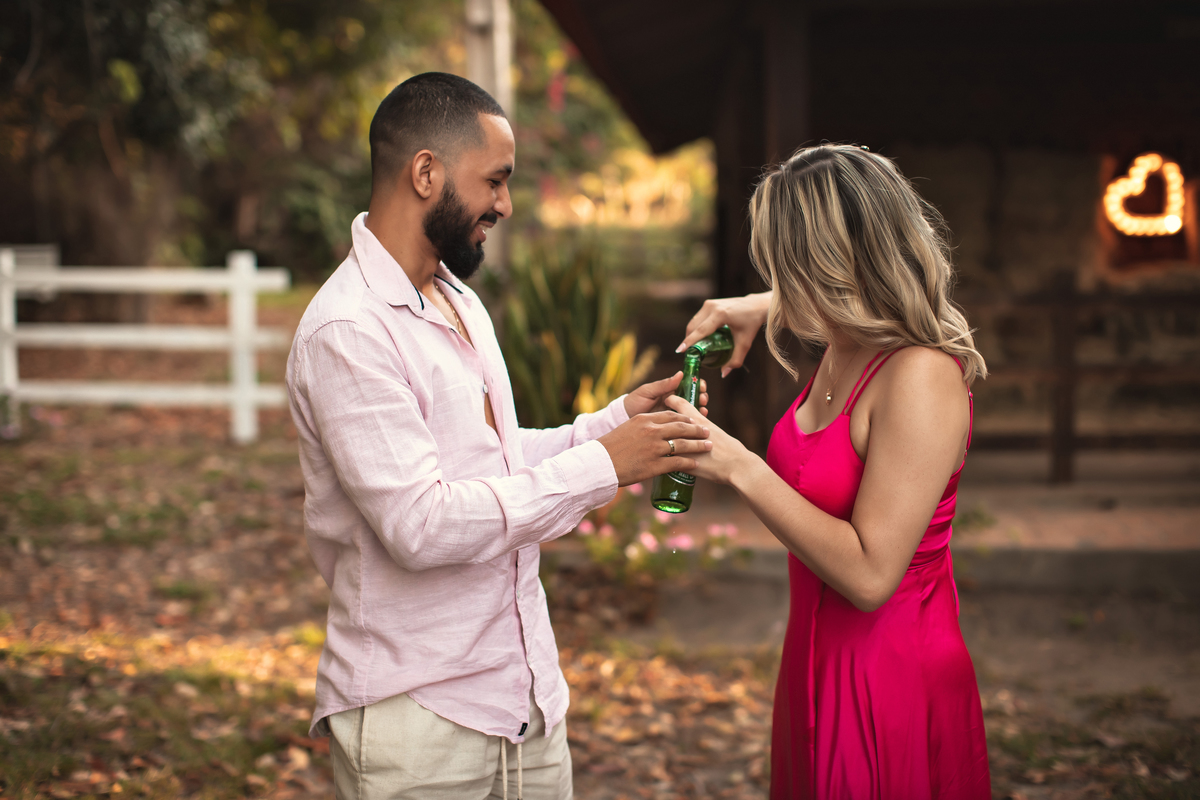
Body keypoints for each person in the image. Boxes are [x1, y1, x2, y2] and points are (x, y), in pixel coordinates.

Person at [284, 72, 712, 800]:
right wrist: (605, 466)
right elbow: (420, 524)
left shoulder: (458, 301)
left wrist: (614, 426)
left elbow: (497, 460)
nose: (505, 205)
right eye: (496, 181)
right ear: (427, 173)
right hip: (419, 726)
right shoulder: (347, 331)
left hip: (526, 702)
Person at [671, 144, 991, 798]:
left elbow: (872, 577)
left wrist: (740, 467)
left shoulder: (919, 377)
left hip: (890, 677)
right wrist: (757, 306)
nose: (786, 287)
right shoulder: (844, 343)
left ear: (840, 264)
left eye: (795, 269)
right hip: (813, 662)